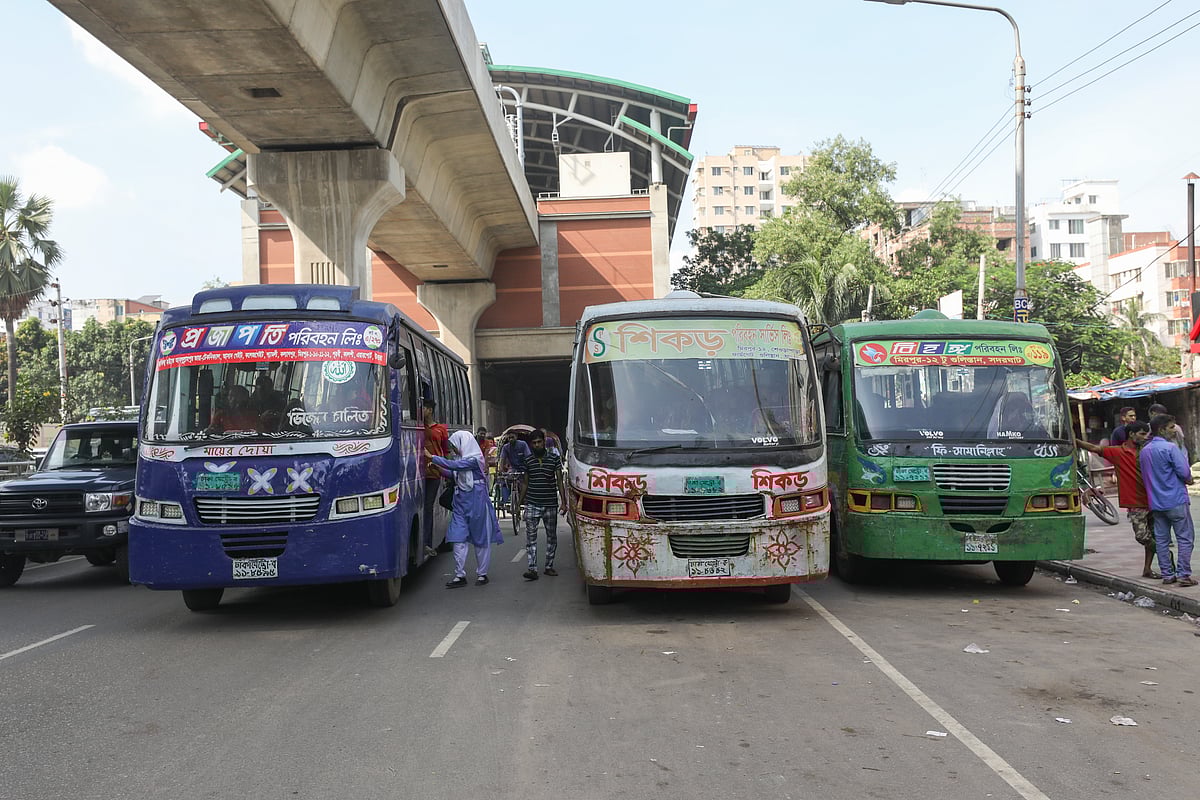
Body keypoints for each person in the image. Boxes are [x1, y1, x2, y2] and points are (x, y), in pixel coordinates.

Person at [1077, 422, 1159, 578]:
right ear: (1131, 434)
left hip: (1154, 500)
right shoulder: (1118, 452)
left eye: (1146, 434)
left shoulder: (1148, 451)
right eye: (1141, 434)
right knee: (1142, 536)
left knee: (1153, 535)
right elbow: (1094, 449)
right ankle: (1163, 553)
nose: (1145, 437)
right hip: (1135, 502)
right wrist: (1075, 441)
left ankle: (1147, 569)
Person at [428, 430, 503, 587]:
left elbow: (457, 467)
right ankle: (459, 575)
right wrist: (439, 470)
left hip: (477, 503)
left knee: (481, 539)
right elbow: (454, 473)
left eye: (455, 446)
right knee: (457, 537)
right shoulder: (460, 459)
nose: (454, 450)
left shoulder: (475, 460)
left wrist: (433, 457)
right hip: (460, 503)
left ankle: (482, 574)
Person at [1139, 414, 1197, 587]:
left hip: (1156, 502)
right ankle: (1184, 575)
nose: (1174, 430)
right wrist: (1189, 480)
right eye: (1171, 427)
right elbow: (1185, 472)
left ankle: (1167, 574)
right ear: (1162, 429)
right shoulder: (1170, 448)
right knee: (1185, 538)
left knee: (1163, 540)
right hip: (1176, 499)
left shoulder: (1145, 451)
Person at [519, 428, 568, 581]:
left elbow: (560, 481)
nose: (537, 445)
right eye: (534, 443)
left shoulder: (554, 458)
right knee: (530, 538)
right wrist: (519, 503)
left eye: (539, 442)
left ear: (544, 442)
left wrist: (564, 503)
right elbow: (525, 483)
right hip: (532, 503)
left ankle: (548, 566)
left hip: (550, 503)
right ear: (531, 445)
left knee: (551, 537)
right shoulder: (527, 460)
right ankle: (532, 568)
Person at [421, 398, 450, 556]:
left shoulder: (441, 429)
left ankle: (427, 542)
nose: (422, 410)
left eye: (424, 408)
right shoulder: (419, 426)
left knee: (428, 506)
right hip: (418, 472)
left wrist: (447, 471)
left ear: (430, 410)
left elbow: (446, 451)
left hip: (435, 472)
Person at [497, 433, 533, 508]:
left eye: (512, 437)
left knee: (526, 482)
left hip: (524, 466)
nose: (511, 439)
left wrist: (529, 467)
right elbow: (502, 459)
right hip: (513, 468)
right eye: (509, 438)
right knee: (506, 480)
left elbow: (528, 456)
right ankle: (506, 499)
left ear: (516, 437)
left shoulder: (523, 444)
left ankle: (525, 498)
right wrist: (500, 469)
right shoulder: (506, 447)